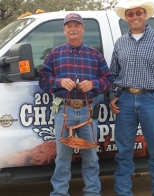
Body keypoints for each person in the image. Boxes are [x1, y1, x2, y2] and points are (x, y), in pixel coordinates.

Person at [109, 0, 154, 196]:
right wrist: (113, 95)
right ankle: (123, 193)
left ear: (145, 15)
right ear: (126, 18)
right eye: (130, 14)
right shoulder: (120, 42)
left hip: (152, 100)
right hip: (126, 100)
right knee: (123, 151)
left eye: (138, 13)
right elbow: (114, 73)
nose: (135, 17)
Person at [39, 13, 111, 196]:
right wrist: (59, 82)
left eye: (76, 25)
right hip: (64, 111)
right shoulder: (54, 54)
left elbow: (108, 81)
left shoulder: (95, 55)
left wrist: (93, 84)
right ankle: (60, 193)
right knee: (63, 158)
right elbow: (43, 80)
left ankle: (92, 192)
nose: (73, 29)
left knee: (91, 157)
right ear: (64, 30)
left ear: (82, 29)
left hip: (88, 111)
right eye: (69, 26)